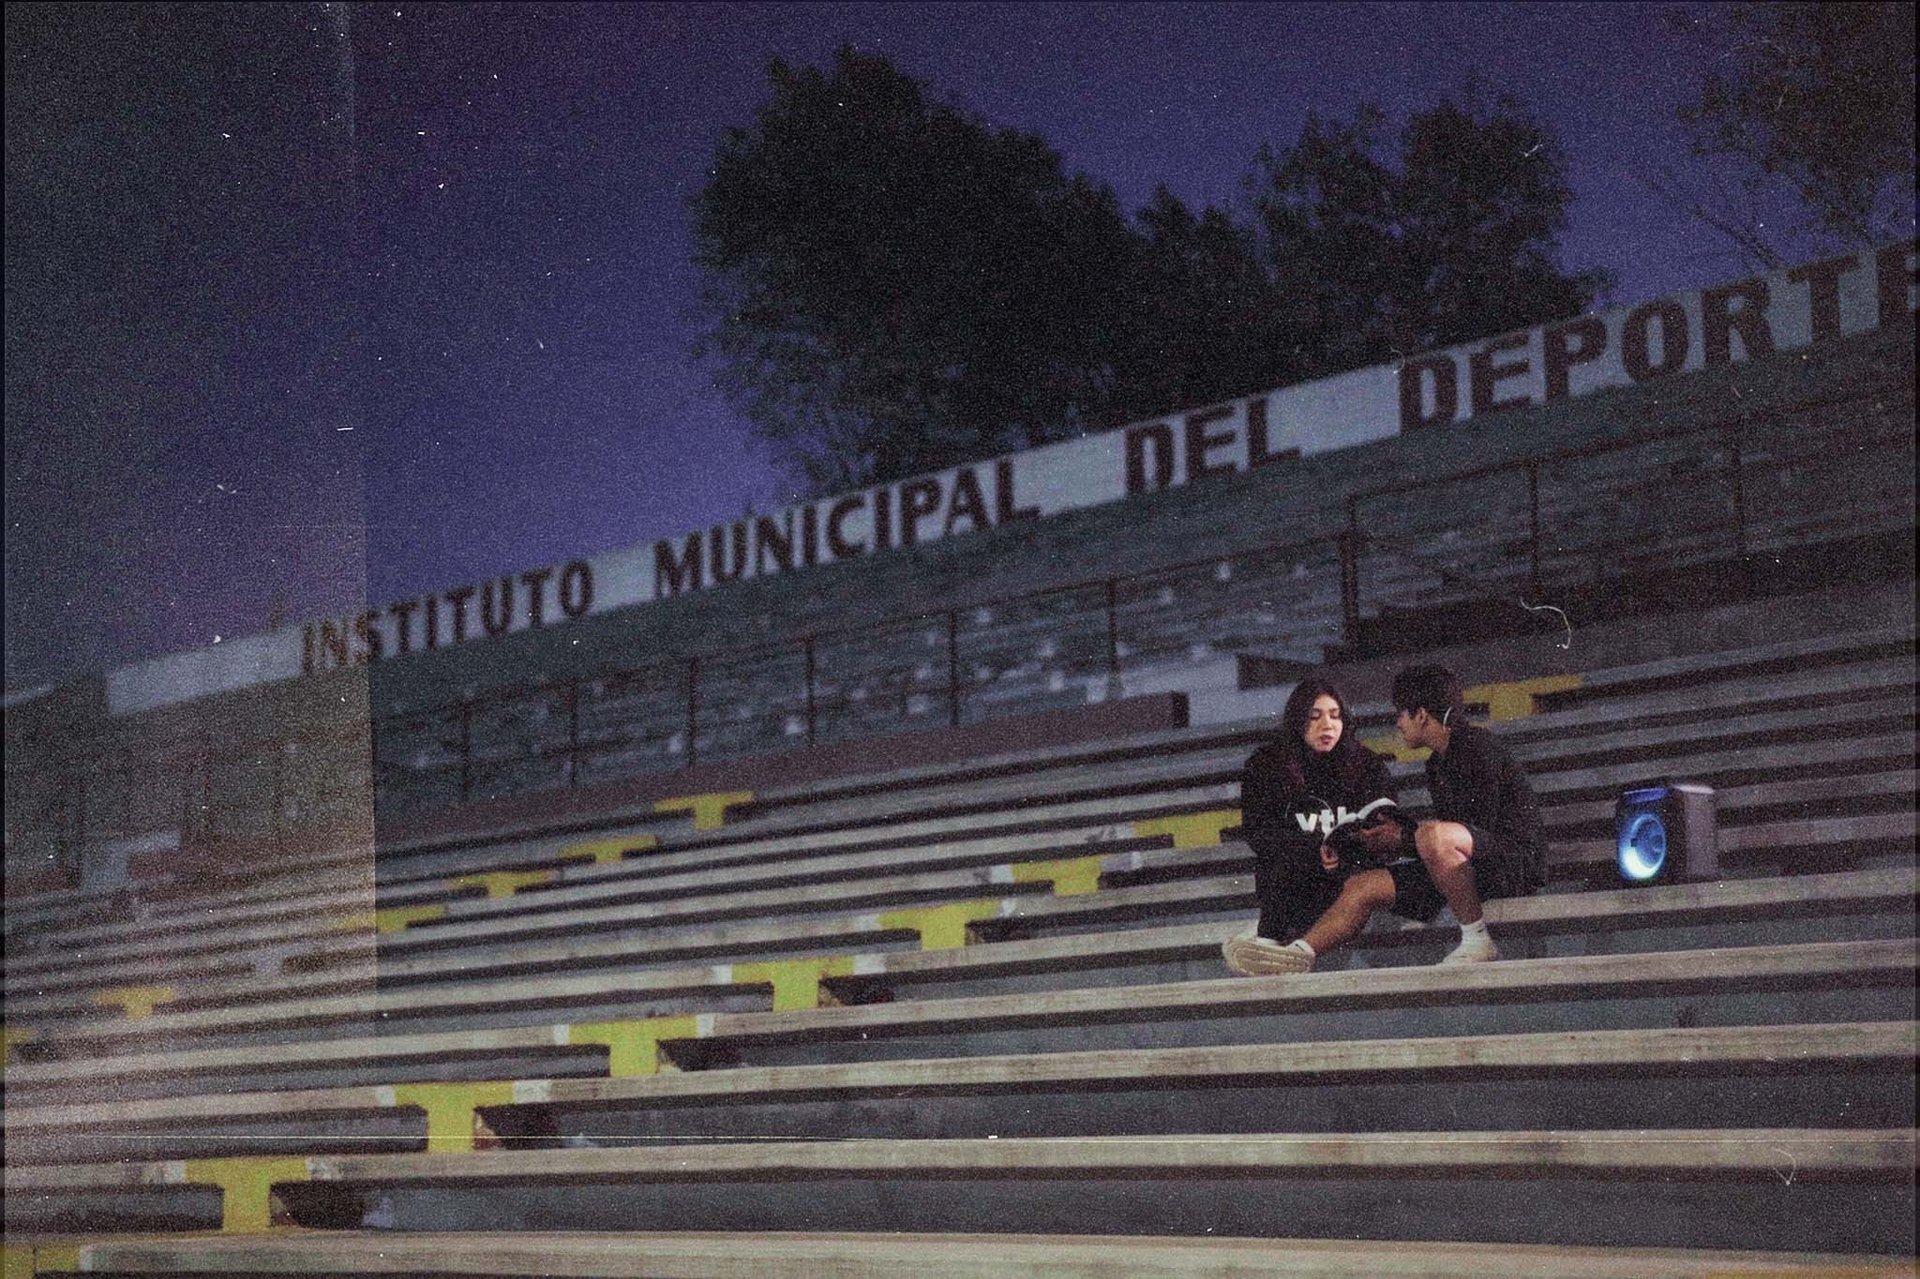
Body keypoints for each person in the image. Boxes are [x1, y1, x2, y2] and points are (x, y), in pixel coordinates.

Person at [1224, 664, 1545, 975]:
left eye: (1401, 714)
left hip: (1511, 865)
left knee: (1433, 835)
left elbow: (1477, 829)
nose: (1398, 723)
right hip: (1463, 866)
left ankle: (1478, 940)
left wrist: (1405, 839)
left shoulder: (1477, 746)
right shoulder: (1436, 763)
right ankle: (1294, 956)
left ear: (1421, 715)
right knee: (1363, 886)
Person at [1222, 675, 1396, 976]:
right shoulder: (1268, 765)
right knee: (1284, 857)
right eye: (1314, 717)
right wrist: (1315, 850)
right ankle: (1268, 941)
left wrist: (1346, 850)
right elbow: (1260, 834)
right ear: (1296, 721)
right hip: (1296, 879)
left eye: (1335, 716)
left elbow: (1387, 828)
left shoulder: (1368, 765)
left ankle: (1267, 944)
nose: (1327, 726)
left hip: (1347, 877)